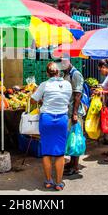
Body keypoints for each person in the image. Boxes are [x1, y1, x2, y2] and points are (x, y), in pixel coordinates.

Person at [31, 62, 72, 191]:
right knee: (60, 153)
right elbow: (63, 99)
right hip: (61, 120)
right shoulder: (67, 85)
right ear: (58, 72)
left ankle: (49, 181)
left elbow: (33, 100)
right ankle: (59, 183)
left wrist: (35, 92)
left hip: (47, 119)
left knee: (47, 152)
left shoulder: (44, 85)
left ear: (48, 74)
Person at [59, 58, 85, 176]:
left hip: (75, 112)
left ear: (69, 62)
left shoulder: (76, 74)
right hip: (67, 111)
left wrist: (74, 113)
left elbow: (78, 95)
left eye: (64, 63)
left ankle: (75, 166)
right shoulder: (66, 74)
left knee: (75, 138)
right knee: (71, 138)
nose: (62, 65)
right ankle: (71, 162)